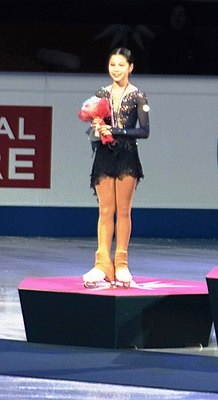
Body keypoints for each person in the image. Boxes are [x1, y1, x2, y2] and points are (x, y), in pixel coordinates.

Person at [82, 47, 150, 288]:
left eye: (121, 65)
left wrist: (116, 131)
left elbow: (144, 131)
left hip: (127, 156)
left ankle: (121, 263)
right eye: (113, 65)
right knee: (105, 210)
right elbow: (94, 124)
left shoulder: (138, 96)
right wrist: (98, 129)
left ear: (130, 67)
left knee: (123, 210)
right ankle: (102, 264)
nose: (116, 69)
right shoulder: (101, 94)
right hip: (104, 156)